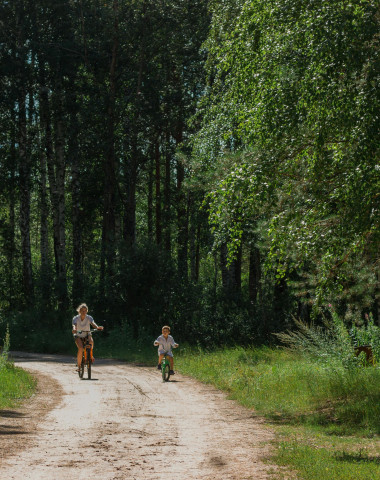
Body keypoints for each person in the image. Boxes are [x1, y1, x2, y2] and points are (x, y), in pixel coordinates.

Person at [72, 303, 103, 372]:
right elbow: (74, 325)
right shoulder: (76, 318)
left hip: (87, 333)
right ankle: (79, 366)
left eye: (85, 310)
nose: (84, 312)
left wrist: (97, 327)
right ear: (79, 311)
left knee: (91, 342)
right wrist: (74, 329)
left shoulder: (89, 317)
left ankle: (90, 355)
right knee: (80, 348)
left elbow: (93, 323)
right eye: (82, 311)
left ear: (87, 311)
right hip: (78, 334)